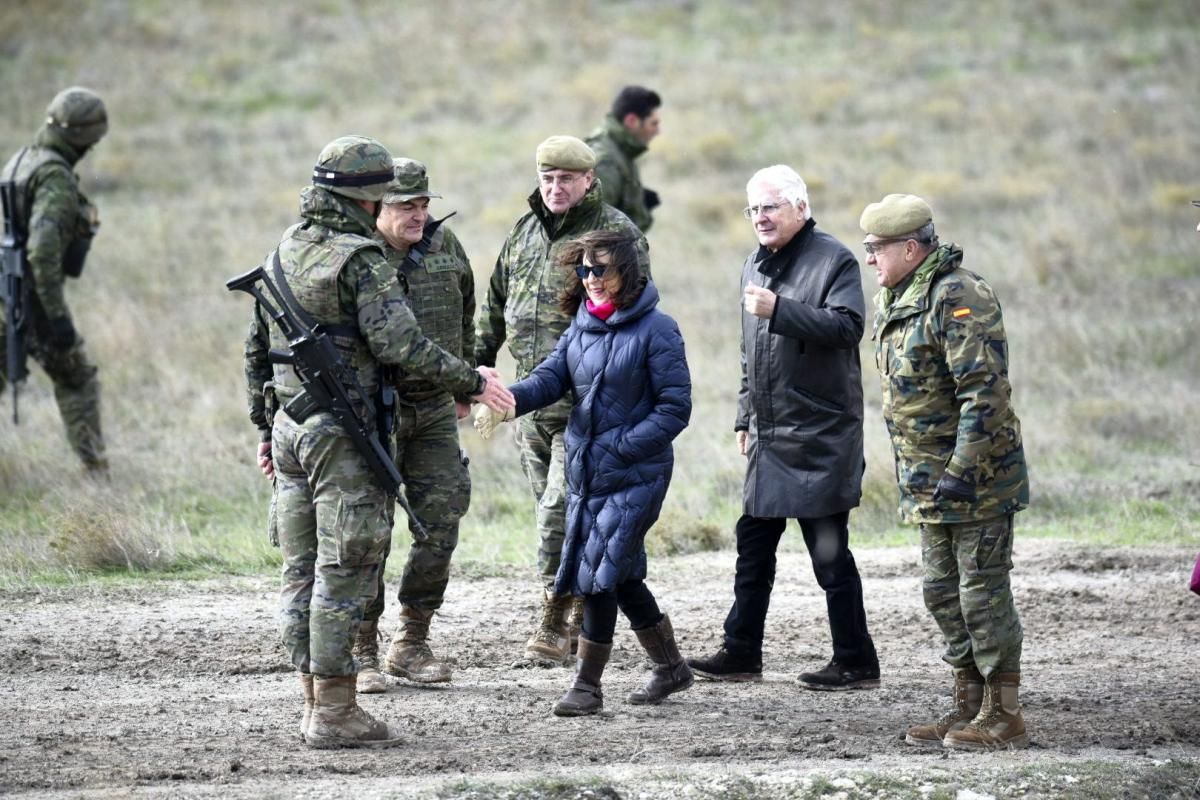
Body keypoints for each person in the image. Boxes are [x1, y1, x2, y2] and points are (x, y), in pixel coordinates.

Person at [242, 135, 513, 749]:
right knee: (346, 568)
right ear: (367, 200)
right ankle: (335, 712)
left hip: (292, 427)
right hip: (344, 436)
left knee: (300, 570)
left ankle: (313, 699)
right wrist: (474, 379)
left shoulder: (286, 248)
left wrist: (265, 428)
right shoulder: (359, 259)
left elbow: (257, 350)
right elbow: (401, 346)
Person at [475, 229, 692, 716]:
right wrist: (506, 403)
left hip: (636, 473)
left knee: (597, 576)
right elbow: (552, 377)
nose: (592, 280)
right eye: (585, 270)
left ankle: (587, 686)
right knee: (621, 573)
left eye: (603, 270)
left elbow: (675, 409)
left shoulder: (658, 330)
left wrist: (617, 448)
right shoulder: (581, 328)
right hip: (589, 473)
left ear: (628, 275)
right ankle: (672, 668)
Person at [688, 165, 880, 690]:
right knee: (753, 543)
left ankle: (857, 661)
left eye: (770, 206)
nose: (760, 217)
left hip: (820, 434)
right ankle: (741, 651)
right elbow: (750, 355)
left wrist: (781, 309)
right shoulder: (753, 263)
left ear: (800, 206)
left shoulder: (834, 259)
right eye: (752, 209)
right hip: (769, 436)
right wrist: (743, 416)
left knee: (828, 554)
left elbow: (847, 327)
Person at [862, 193, 1029, 751]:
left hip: (976, 479)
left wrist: (961, 468)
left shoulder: (958, 294)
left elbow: (985, 392)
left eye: (876, 248)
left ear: (911, 248)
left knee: (982, 594)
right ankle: (967, 706)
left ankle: (1004, 715)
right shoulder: (898, 294)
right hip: (927, 480)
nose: (869, 259)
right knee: (942, 593)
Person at [476, 135, 649, 665]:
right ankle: (582, 613)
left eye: (567, 179)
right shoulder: (525, 232)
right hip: (531, 399)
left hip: (590, 402)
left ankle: (556, 618)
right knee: (558, 511)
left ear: (589, 180)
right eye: (547, 178)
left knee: (560, 508)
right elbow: (495, 305)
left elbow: (636, 315)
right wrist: (477, 372)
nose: (555, 187)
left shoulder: (615, 234)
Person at [352, 158, 477, 692]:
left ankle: (412, 640)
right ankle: (360, 647)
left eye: (424, 204)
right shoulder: (358, 258)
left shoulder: (446, 249)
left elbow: (467, 312)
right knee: (367, 532)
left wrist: (462, 387)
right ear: (378, 208)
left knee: (441, 520)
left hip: (433, 411)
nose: (419, 214)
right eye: (406, 205)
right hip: (373, 415)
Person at [1, 87, 109, 473]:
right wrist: (59, 320)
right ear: (82, 136)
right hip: (30, 300)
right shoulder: (54, 178)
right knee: (76, 377)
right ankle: (94, 466)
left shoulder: (21, 162)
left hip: (7, 292)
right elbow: (43, 253)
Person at [585, 85, 662, 233]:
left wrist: (635, 202)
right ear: (632, 121)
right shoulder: (606, 162)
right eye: (653, 123)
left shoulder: (618, 148)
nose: (658, 131)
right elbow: (594, 234)